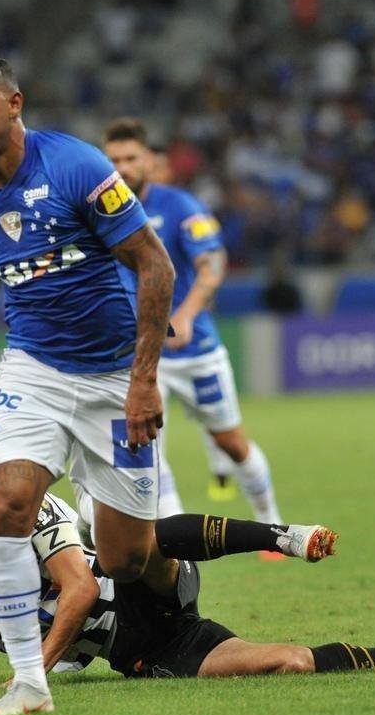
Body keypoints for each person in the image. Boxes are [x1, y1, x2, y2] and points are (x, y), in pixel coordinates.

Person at [0, 50, 178, 715]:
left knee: (127, 559)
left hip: (112, 377)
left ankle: (174, 577)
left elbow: (155, 267)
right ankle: (29, 684)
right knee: (7, 505)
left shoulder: (77, 167)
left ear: (14, 104)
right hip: (32, 372)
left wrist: (143, 382)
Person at [0, 457, 375, 697]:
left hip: (138, 585)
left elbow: (82, 588)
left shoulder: (20, 507)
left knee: (125, 550)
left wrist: (29, 673)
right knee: (290, 664)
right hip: (147, 647)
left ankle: (280, 535)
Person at [103, 118, 284, 558]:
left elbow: (212, 265)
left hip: (195, 350)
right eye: (114, 160)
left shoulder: (180, 206)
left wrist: (183, 315)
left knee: (231, 442)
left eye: (131, 158)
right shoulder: (97, 213)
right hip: (140, 355)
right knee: (147, 447)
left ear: (149, 160)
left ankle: (271, 525)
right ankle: (172, 544)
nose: (123, 167)